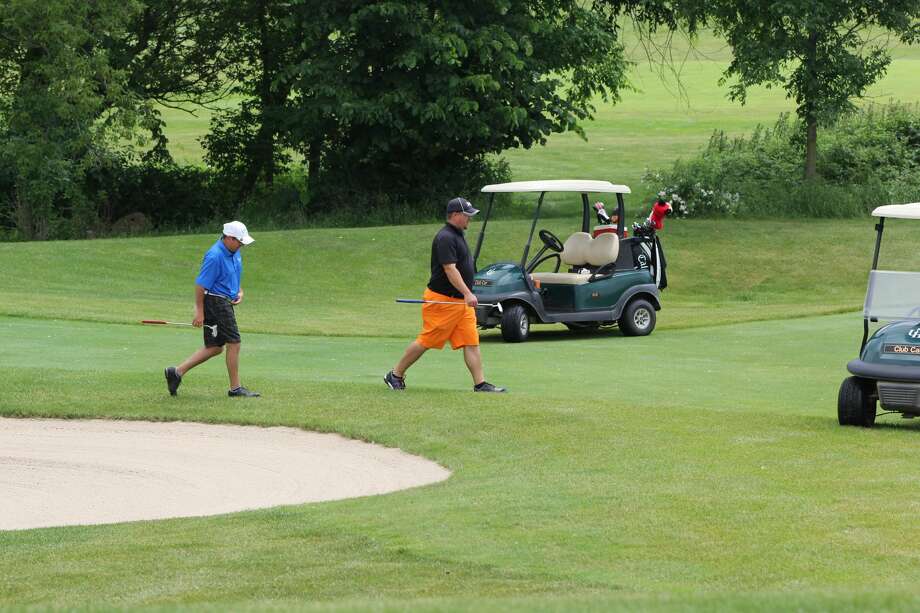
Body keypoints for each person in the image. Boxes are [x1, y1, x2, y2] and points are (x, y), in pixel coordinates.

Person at [385, 197, 506, 393]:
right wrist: (468, 293)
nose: (470, 219)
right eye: (467, 216)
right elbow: (450, 269)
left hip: (460, 303)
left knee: (471, 341)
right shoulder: (445, 237)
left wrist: (466, 295)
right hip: (442, 301)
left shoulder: (457, 235)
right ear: (456, 215)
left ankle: (480, 383)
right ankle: (395, 374)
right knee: (427, 341)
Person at [164, 221, 260, 398]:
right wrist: (199, 311)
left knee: (215, 347)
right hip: (216, 302)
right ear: (229, 238)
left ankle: (176, 372)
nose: (242, 245)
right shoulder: (214, 256)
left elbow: (234, 275)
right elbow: (201, 286)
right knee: (234, 342)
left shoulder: (235, 252)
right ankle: (235, 388)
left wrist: (239, 291)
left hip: (225, 300)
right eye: (240, 241)